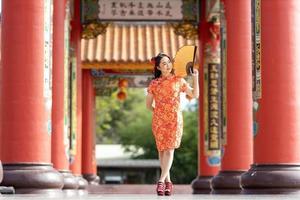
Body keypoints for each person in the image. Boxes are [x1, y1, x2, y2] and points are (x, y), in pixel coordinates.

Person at [146, 53, 199, 196]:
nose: (167, 65)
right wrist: (159, 113)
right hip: (159, 120)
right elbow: (148, 105)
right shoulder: (154, 84)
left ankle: (161, 181)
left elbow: (195, 95)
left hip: (175, 119)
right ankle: (168, 183)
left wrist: (195, 78)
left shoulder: (178, 80)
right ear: (158, 67)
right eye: (164, 63)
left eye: (169, 62)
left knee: (169, 150)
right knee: (162, 151)